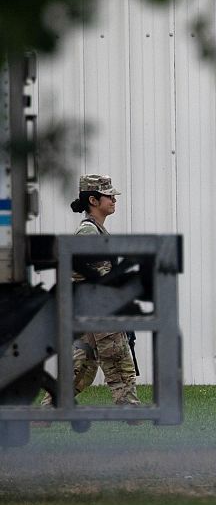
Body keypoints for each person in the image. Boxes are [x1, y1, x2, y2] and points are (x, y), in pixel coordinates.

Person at [41, 175, 141, 409]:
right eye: (109, 195)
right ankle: (132, 415)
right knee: (119, 365)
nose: (114, 199)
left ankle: (43, 414)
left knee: (82, 368)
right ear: (93, 200)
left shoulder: (96, 231)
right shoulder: (88, 232)